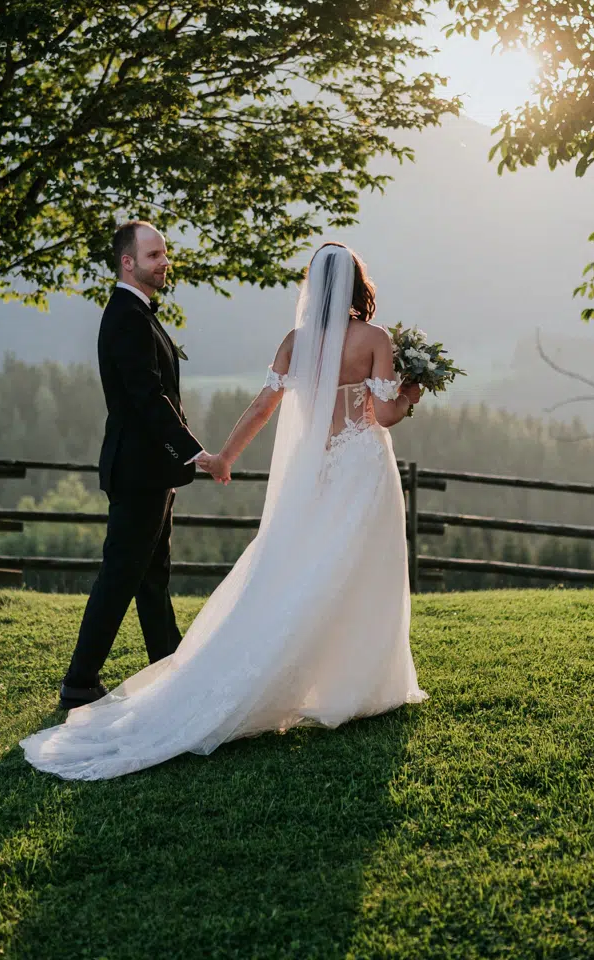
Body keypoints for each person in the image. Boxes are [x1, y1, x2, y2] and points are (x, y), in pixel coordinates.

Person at [23, 242, 426, 780]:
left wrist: (224, 458)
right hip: (362, 468)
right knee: (363, 570)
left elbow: (263, 406)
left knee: (308, 569)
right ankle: (358, 685)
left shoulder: (295, 342)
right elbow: (384, 415)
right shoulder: (375, 339)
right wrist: (414, 391)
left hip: (320, 472)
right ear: (356, 284)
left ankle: (315, 678)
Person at [54, 220, 218, 714]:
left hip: (151, 471)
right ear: (128, 262)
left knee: (151, 576)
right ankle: (80, 680)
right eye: (154, 256)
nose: (164, 262)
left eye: (163, 253)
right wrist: (194, 450)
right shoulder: (126, 317)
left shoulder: (138, 313)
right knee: (121, 575)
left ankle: (168, 665)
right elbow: (149, 399)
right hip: (139, 472)